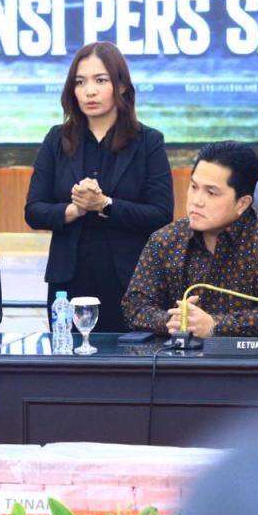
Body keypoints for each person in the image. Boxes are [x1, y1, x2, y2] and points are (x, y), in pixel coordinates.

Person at [25, 41, 174, 334]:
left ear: (121, 86)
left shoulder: (148, 142)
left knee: (129, 359)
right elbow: (34, 211)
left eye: (100, 80)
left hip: (130, 282)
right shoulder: (57, 139)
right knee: (69, 359)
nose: (89, 91)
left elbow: (160, 214)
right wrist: (75, 209)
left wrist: (105, 204)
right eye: (80, 82)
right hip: (68, 283)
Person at [122, 141, 258, 337]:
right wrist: (173, 321)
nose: (196, 201)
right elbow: (134, 306)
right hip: (180, 355)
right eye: (194, 187)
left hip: (251, 356)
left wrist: (215, 325)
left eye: (211, 193)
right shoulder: (165, 240)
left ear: (242, 204)